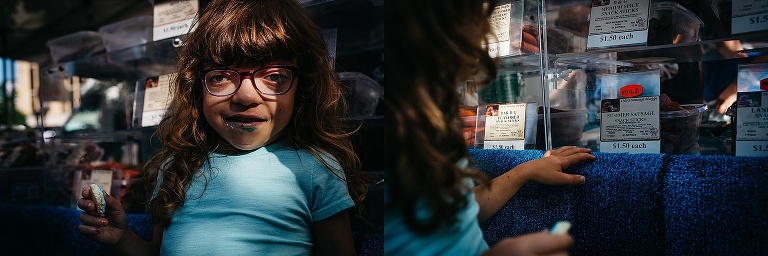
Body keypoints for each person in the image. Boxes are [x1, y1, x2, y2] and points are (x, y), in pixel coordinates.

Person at [77, 0, 366, 255]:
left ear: (302, 88)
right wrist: (124, 238)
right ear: (196, 89)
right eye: (220, 77)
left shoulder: (316, 169)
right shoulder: (174, 168)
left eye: (275, 76)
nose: (245, 96)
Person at [386, 0, 596, 255]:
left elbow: (456, 209)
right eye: (478, 16)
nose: (484, 31)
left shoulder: (427, 121)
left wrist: (525, 171)